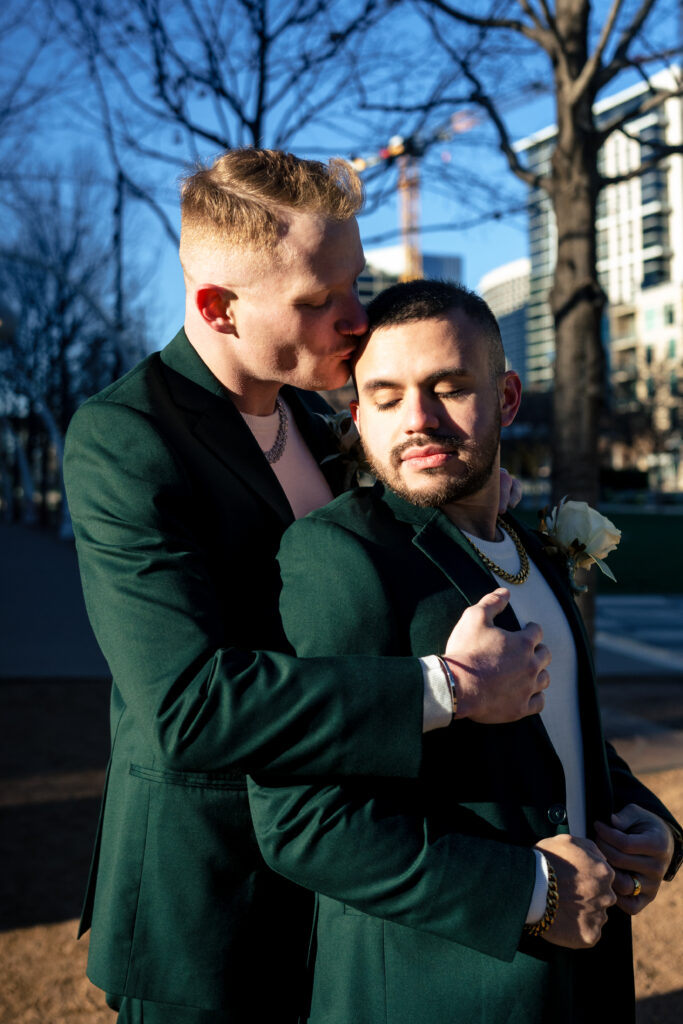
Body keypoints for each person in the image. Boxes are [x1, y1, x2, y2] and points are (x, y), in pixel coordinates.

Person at [63, 152, 550, 1024]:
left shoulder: (327, 416)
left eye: (354, 284)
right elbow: (187, 705)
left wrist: (475, 494)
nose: (355, 320)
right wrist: (449, 689)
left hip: (351, 891)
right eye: (316, 301)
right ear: (217, 307)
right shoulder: (124, 439)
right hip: (211, 902)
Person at [249, 279, 683, 1024]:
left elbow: (564, 739)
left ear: (507, 399)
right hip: (435, 991)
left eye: (448, 389)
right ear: (358, 413)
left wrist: (651, 828)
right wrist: (528, 890)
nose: (416, 420)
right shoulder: (341, 557)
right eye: (385, 398)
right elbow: (300, 820)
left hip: (584, 985)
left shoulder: (533, 548)